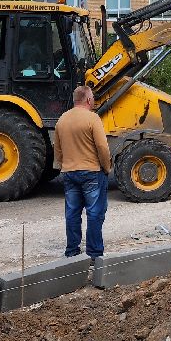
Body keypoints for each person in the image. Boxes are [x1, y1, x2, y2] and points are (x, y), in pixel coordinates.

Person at [54, 85, 112, 259]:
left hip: (69, 173)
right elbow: (102, 147)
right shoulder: (92, 118)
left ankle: (72, 252)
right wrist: (106, 167)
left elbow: (58, 149)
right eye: (92, 97)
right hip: (92, 172)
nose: (93, 100)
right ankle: (94, 254)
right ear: (88, 100)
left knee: (72, 213)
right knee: (94, 213)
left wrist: (63, 165)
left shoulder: (62, 120)